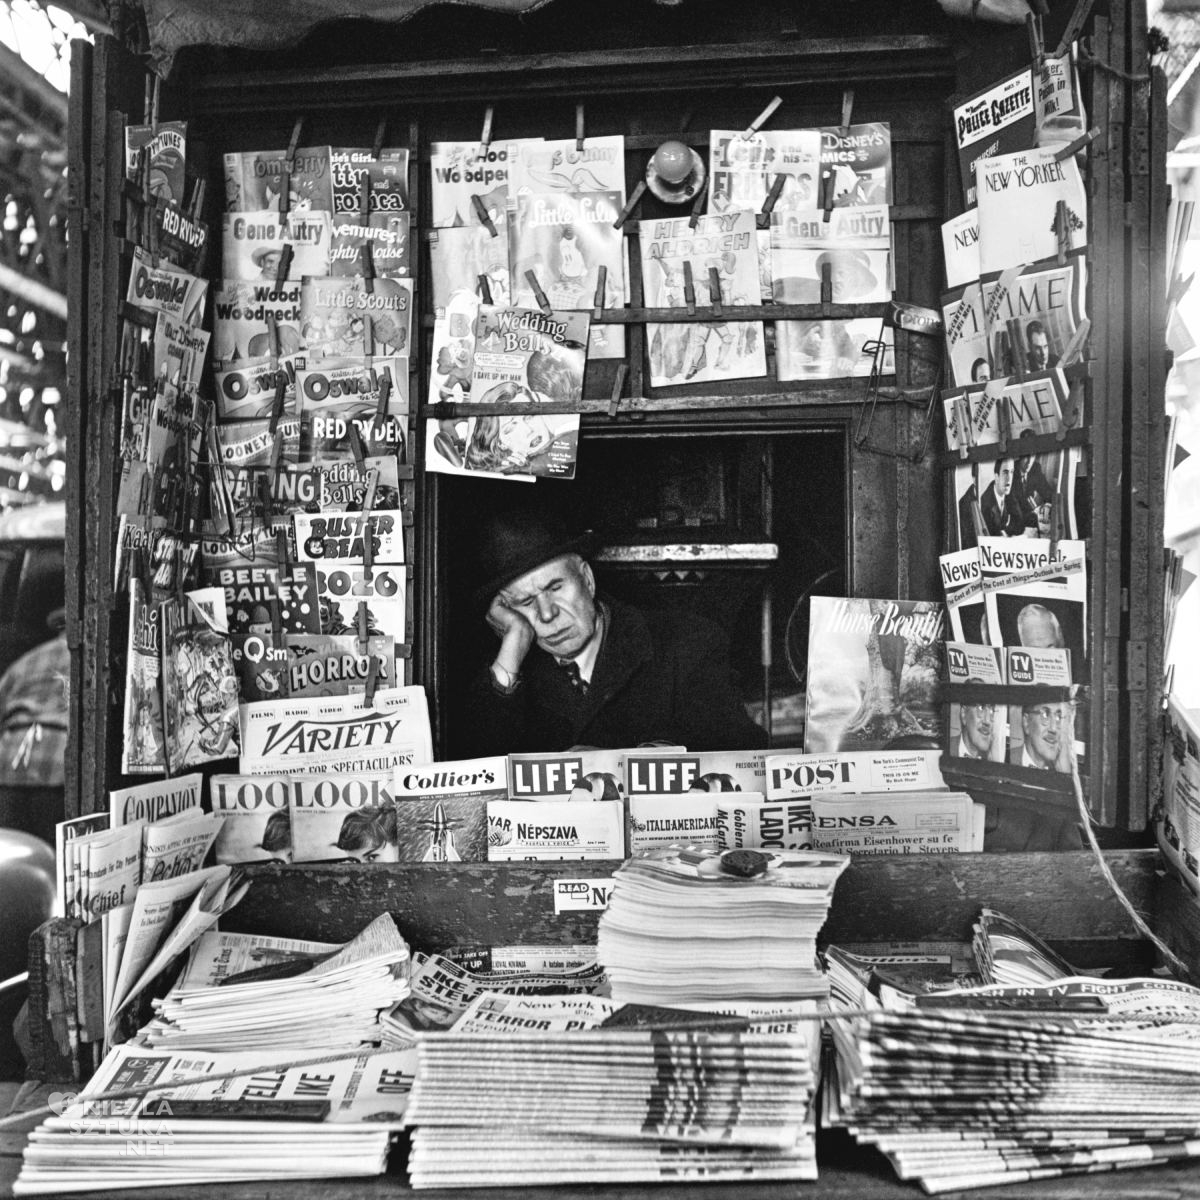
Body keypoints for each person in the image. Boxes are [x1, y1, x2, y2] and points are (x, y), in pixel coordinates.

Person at [464, 511, 767, 754]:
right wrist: (513, 644)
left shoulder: (687, 643)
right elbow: (476, 775)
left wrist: (624, 763)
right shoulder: (505, 672)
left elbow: (740, 753)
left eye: (555, 588)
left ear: (587, 579)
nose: (547, 614)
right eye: (525, 602)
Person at [0, 606, 68, 847]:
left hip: (9, 769)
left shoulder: (25, 662)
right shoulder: (87, 657)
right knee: (52, 858)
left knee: (13, 856)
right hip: (57, 771)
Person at [1015, 701, 1071, 772]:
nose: (1053, 729)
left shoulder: (1065, 771)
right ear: (1026, 722)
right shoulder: (1002, 758)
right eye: (1045, 715)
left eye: (1058, 717)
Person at [979, 458, 1024, 537]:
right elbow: (990, 535)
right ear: (996, 477)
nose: (1009, 479)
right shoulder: (985, 501)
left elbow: (1020, 522)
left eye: (1011, 472)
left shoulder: (1009, 493)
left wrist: (1006, 532)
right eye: (1005, 473)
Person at [956, 694, 998, 760]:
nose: (987, 721)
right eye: (981, 708)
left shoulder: (993, 759)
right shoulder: (945, 748)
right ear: (964, 714)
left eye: (991, 710)